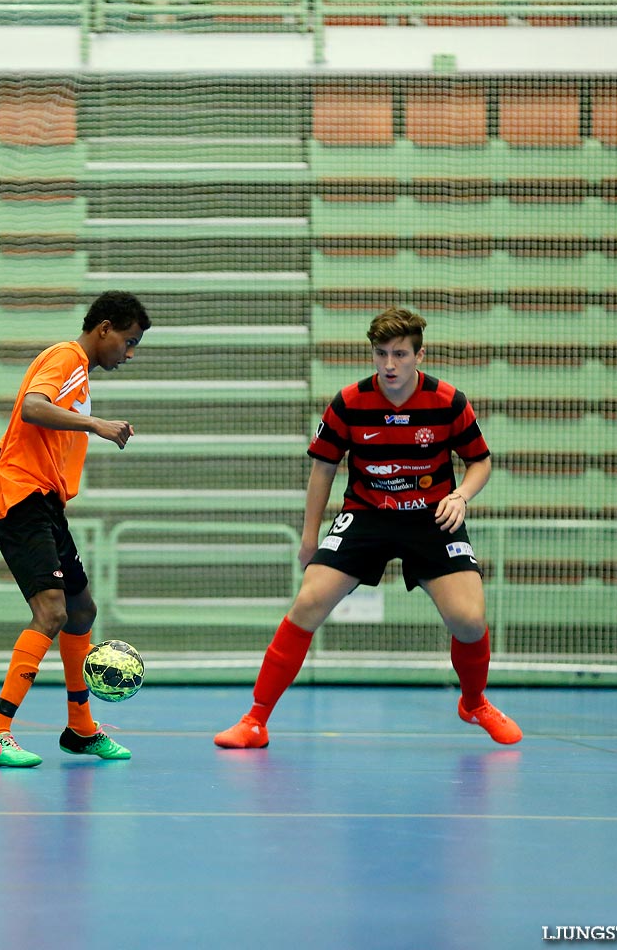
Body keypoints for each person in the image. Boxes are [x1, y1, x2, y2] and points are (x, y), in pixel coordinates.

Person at [215, 306, 522, 749]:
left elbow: (480, 461)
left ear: (420, 354)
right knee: (308, 604)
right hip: (366, 514)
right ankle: (255, 721)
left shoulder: (449, 401)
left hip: (431, 516)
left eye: (399, 354)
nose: (389, 365)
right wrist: (309, 539)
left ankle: (474, 703)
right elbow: (323, 470)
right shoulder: (348, 403)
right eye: (381, 354)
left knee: (469, 620)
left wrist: (461, 496)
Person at [0, 291, 151, 768]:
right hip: (22, 501)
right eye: (129, 342)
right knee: (51, 612)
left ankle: (80, 729)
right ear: (104, 329)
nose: (129, 354)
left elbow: (11, 436)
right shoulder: (67, 357)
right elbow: (33, 407)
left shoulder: (75, 372)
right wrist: (95, 424)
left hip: (44, 503)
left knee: (80, 610)